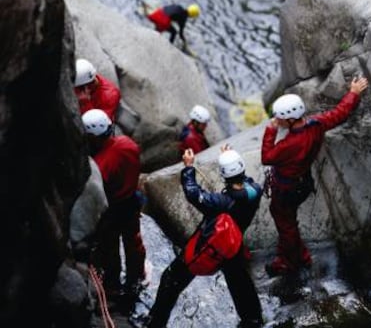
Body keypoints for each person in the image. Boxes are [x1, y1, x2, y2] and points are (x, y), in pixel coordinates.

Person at [130, 146, 263, 328]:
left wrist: (188, 168)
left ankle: (154, 323)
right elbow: (242, 181)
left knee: (171, 279)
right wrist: (227, 158)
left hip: (209, 241)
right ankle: (253, 320)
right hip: (233, 246)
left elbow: (193, 193)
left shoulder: (220, 202)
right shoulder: (254, 191)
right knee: (241, 284)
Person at [261, 76, 369, 276]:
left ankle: (291, 262)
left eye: (279, 118)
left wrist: (270, 131)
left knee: (285, 224)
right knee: (288, 222)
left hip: (286, 189)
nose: (277, 121)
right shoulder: (316, 124)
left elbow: (267, 157)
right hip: (302, 182)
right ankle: (299, 254)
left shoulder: (289, 144)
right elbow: (339, 113)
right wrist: (353, 93)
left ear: (291, 119)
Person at [82, 109, 147, 304]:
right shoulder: (128, 144)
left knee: (109, 247)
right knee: (133, 241)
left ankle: (112, 286)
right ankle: (136, 276)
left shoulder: (101, 164)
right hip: (131, 201)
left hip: (112, 208)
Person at [74, 58, 121, 123]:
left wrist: (85, 103)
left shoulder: (111, 95)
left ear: (86, 87)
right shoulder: (82, 80)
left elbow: (98, 123)